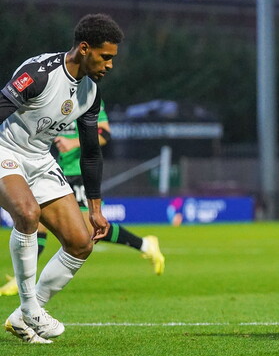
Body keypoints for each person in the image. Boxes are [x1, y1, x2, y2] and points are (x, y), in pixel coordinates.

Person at [1, 14, 123, 343]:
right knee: (27, 214)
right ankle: (30, 309)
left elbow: (91, 152)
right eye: (105, 56)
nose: (110, 65)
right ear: (85, 49)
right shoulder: (39, 74)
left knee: (81, 242)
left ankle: (22, 317)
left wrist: (96, 209)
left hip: (40, 159)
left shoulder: (90, 93)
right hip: (5, 148)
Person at [0, 102, 164, 296]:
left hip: (80, 172)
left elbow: (104, 134)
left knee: (88, 231)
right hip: (57, 169)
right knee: (37, 221)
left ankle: (145, 244)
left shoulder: (88, 97)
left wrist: (73, 142)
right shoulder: (58, 94)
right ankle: (23, 280)